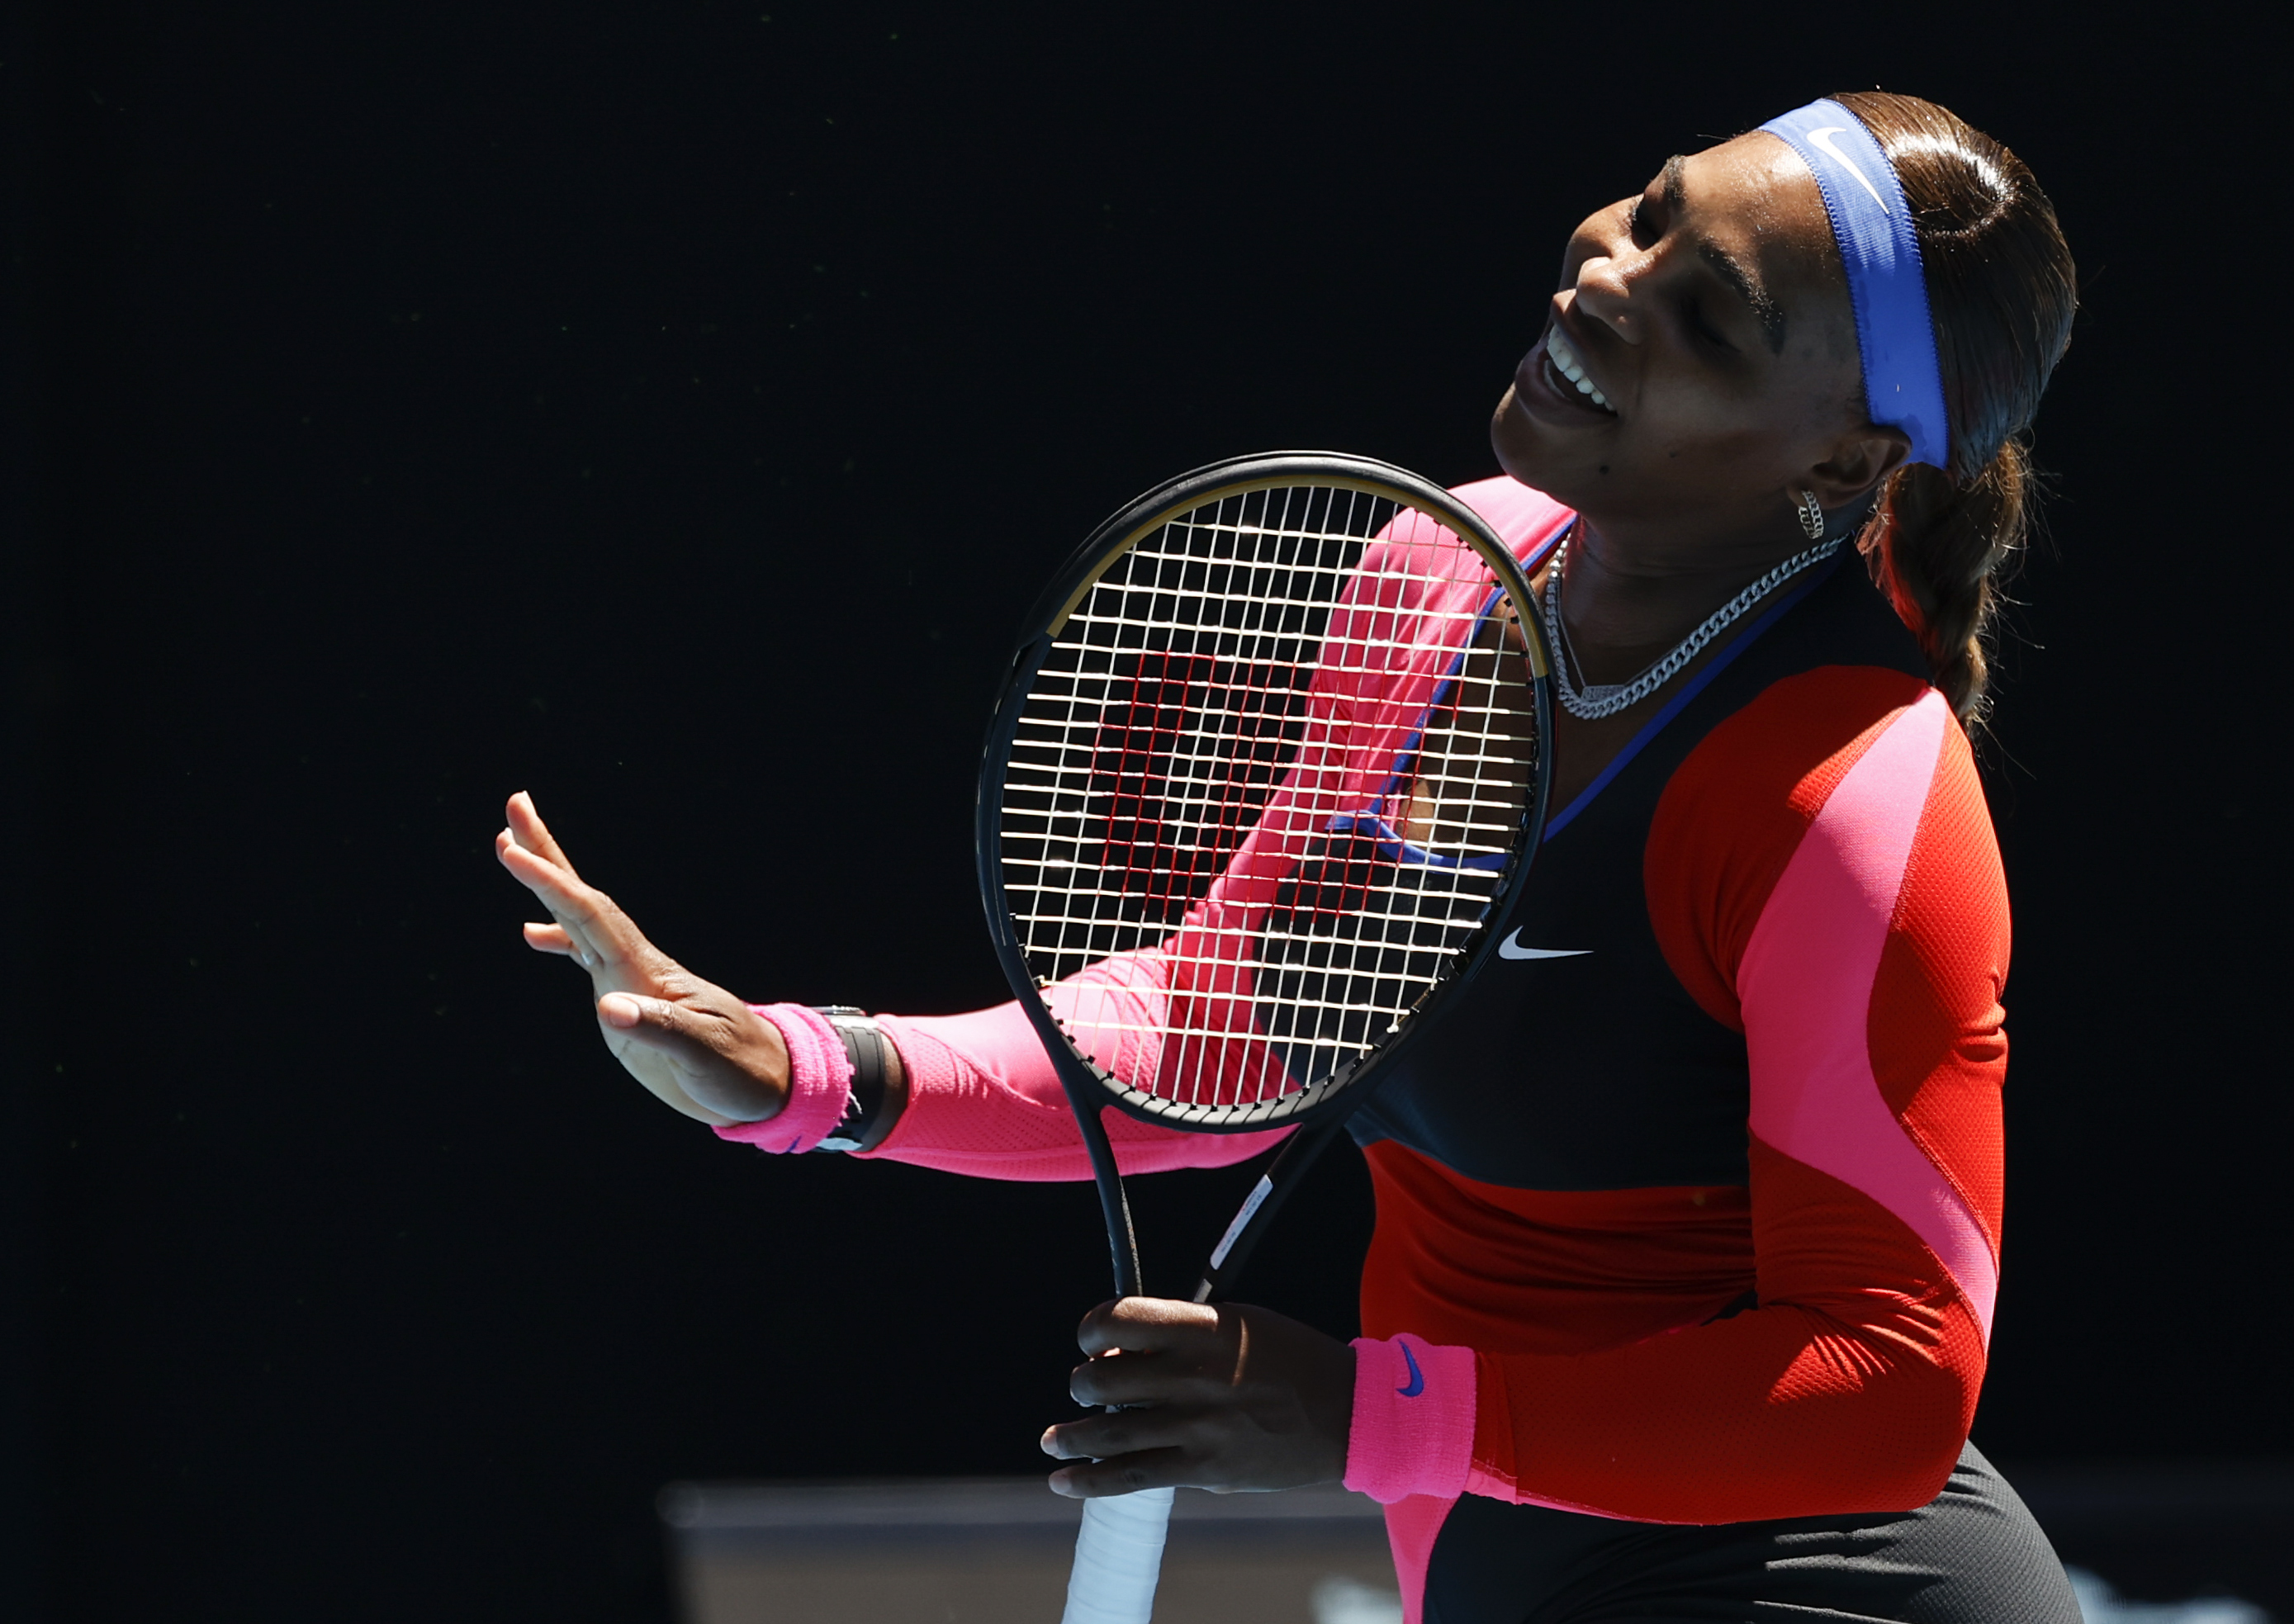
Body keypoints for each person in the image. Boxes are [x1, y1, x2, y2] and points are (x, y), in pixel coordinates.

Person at [499, 91, 2080, 1623]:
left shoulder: (1848, 795)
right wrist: (807, 1074)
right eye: (1652, 210)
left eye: (1710, 319)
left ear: (1835, 468)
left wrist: (1365, 1416)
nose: (1606, 276)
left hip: (1804, 1586)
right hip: (1497, 1561)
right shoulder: (1440, 573)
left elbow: (1886, 1386)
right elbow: (1234, 1026)